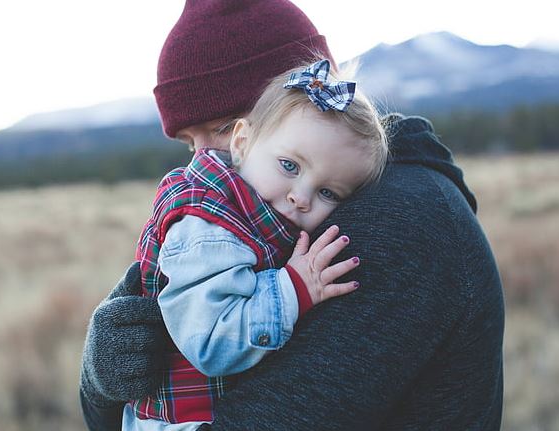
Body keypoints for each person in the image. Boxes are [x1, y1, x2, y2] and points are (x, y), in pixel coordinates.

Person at [80, 1, 505, 430]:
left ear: (303, 99)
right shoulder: (263, 214)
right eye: (190, 143)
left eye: (225, 128)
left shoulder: (397, 221)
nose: (204, 161)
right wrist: (102, 381)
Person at [125, 58, 387, 430]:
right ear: (242, 142)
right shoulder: (208, 226)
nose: (301, 197)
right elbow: (211, 341)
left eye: (328, 192)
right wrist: (294, 288)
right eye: (290, 166)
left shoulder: (258, 214)